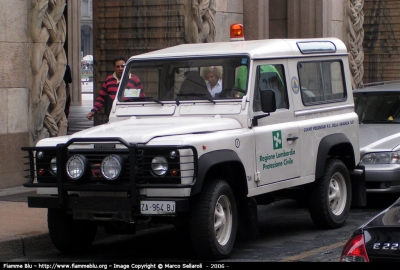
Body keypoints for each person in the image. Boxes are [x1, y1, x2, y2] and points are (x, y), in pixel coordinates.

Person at [87, 56, 143, 121]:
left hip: (130, 116)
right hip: (113, 116)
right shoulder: (109, 80)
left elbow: (141, 98)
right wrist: (93, 111)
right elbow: (101, 98)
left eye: (122, 66)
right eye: (118, 66)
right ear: (114, 68)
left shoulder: (134, 80)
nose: (120, 69)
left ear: (127, 67)